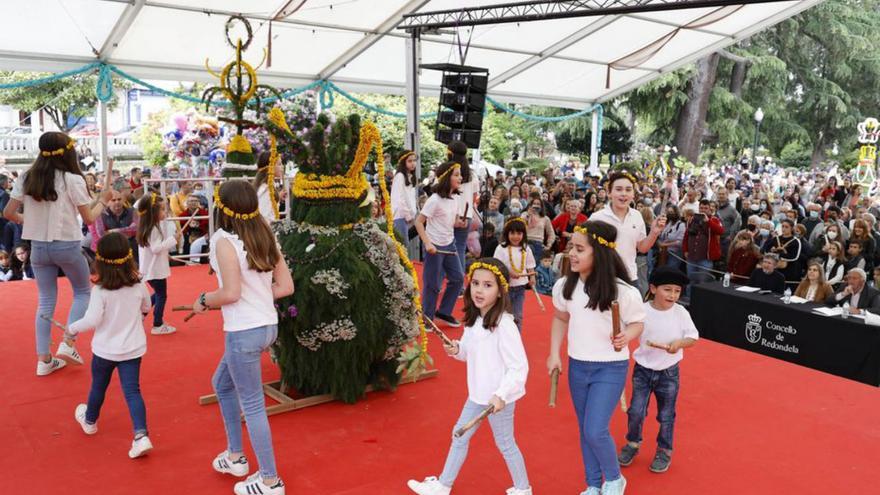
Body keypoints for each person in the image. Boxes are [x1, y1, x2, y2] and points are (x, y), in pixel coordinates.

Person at [191, 180, 294, 495]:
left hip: (244, 331)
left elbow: (231, 293)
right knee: (222, 385)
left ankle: (269, 479)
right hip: (266, 326)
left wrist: (204, 300)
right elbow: (286, 287)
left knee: (252, 404)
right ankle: (236, 456)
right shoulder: (264, 233)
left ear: (221, 207)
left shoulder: (224, 240)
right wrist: (260, 298)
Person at [407, 259, 531, 495]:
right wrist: (456, 350)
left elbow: (519, 367)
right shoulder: (474, 320)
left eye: (487, 285)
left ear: (500, 290)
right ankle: (443, 485)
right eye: (475, 283)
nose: (479, 290)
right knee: (459, 434)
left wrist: (501, 395)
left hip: (497, 400)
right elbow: (468, 351)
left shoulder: (504, 325)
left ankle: (523, 489)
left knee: (505, 443)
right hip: (477, 395)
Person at [548, 220, 646, 495]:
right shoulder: (565, 287)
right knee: (584, 429)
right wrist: (553, 353)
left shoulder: (624, 292)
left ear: (599, 253)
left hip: (610, 368)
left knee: (594, 429)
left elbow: (638, 323)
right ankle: (593, 484)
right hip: (577, 365)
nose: (572, 254)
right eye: (571, 247)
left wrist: (627, 336)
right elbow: (560, 318)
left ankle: (614, 479)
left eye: (580, 249)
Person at [3, 131, 112, 376]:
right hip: (67, 245)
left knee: (46, 301)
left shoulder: (27, 176)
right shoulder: (72, 179)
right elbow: (89, 218)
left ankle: (44, 360)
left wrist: (29, 221)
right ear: (68, 151)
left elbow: (9, 213)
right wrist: (104, 200)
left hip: (38, 248)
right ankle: (68, 342)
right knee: (83, 291)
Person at [67, 232, 154, 458]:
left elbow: (92, 320)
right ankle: (141, 435)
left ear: (100, 262)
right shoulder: (139, 285)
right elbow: (147, 306)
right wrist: (140, 317)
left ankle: (90, 421)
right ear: (128, 257)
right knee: (133, 391)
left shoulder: (100, 291)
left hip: (105, 350)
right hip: (133, 348)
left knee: (98, 385)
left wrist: (72, 328)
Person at [618, 267, 698, 474]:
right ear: (653, 288)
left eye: (677, 291)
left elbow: (693, 337)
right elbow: (626, 331)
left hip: (669, 373)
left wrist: (679, 343)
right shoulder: (642, 311)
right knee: (635, 411)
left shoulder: (681, 312)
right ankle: (632, 443)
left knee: (666, 415)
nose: (673, 295)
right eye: (667, 290)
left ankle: (664, 449)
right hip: (642, 370)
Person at [590, 172, 666, 285]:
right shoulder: (597, 218)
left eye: (628, 189)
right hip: (602, 279)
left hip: (630, 277)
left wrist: (654, 233)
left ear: (633, 194)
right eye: (619, 189)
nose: (623, 194)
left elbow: (642, 248)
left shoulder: (637, 216)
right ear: (609, 193)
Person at [415, 161, 465, 327]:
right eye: (456, 174)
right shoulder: (434, 199)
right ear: (445, 177)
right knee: (433, 284)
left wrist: (459, 223)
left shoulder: (455, 198)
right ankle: (427, 318)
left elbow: (451, 221)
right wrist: (428, 243)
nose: (461, 177)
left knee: (458, 278)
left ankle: (443, 312)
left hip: (449, 244)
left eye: (460, 174)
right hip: (434, 246)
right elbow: (419, 222)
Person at [136, 193, 182, 335]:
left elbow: (153, 249)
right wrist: (173, 239)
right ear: (153, 212)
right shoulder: (153, 229)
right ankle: (157, 324)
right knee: (162, 295)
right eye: (162, 209)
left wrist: (166, 253)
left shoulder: (147, 227)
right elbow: (156, 248)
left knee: (159, 293)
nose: (165, 212)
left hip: (150, 268)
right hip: (154, 270)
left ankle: (140, 314)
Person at [494, 218, 536, 331]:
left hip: (520, 288)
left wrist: (532, 277)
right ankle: (502, 337)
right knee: (504, 315)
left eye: (519, 233)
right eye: (512, 233)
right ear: (507, 233)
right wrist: (508, 272)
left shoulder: (526, 248)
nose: (515, 236)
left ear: (524, 234)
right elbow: (496, 265)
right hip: (504, 288)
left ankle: (516, 340)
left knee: (518, 315)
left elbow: (530, 265)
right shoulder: (501, 248)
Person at [681, 199, 723, 286]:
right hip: (691, 257)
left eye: (705, 208)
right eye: (701, 208)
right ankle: (689, 298)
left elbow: (720, 231)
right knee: (690, 280)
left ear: (709, 209)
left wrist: (708, 221)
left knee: (702, 283)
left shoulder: (714, 220)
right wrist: (685, 250)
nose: (703, 210)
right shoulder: (692, 219)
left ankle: (699, 299)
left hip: (705, 259)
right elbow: (686, 236)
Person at [450, 142, 477, 272]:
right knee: (460, 248)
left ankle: (452, 278)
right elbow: (474, 197)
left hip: (452, 215)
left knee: (449, 247)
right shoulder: (472, 174)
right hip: (467, 214)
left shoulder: (451, 172)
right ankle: (459, 281)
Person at [391, 150, 418, 251]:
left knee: (404, 246)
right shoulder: (400, 176)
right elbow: (400, 199)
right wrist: (409, 216)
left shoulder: (409, 177)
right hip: (400, 216)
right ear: (403, 162)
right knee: (402, 247)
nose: (413, 163)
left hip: (406, 217)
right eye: (410, 161)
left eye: (414, 160)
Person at [763, 219, 802, 288]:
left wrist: (778, 255)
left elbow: (794, 257)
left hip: (789, 270)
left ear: (792, 228)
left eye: (786, 227)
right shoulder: (776, 238)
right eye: (782, 226)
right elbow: (765, 250)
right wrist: (772, 251)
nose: (784, 229)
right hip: (775, 268)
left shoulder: (796, 241)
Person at [522, 196, 555, 262]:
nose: (536, 206)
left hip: (538, 244)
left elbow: (551, 233)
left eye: (538, 204)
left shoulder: (545, 218)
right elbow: (520, 226)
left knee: (535, 265)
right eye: (534, 203)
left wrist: (549, 245)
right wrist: (528, 215)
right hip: (525, 242)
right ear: (530, 205)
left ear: (541, 206)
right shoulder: (524, 214)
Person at [253, 151, 282, 224]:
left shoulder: (267, 186)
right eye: (279, 164)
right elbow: (263, 218)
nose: (282, 167)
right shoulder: (266, 190)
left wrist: (279, 196)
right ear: (271, 167)